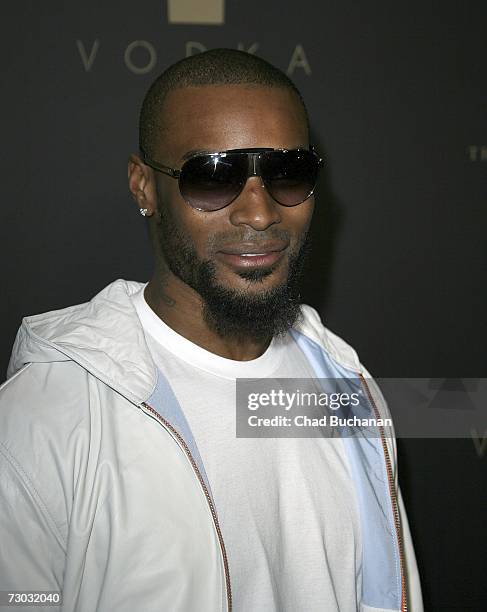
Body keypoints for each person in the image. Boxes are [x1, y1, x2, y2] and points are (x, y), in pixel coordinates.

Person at [0, 49, 423, 612]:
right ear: (144, 187)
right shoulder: (47, 417)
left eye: (287, 172)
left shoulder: (346, 390)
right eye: (213, 176)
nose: (259, 212)